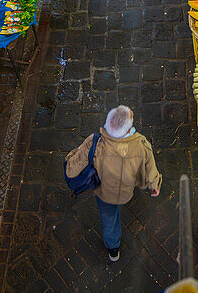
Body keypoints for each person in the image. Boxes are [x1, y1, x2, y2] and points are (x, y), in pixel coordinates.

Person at [66, 106, 161, 262]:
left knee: (109, 219)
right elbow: (150, 169)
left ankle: (113, 249)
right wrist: (154, 185)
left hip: (105, 193)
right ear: (129, 127)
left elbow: (71, 170)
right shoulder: (141, 145)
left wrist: (71, 156)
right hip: (126, 191)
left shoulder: (94, 143)